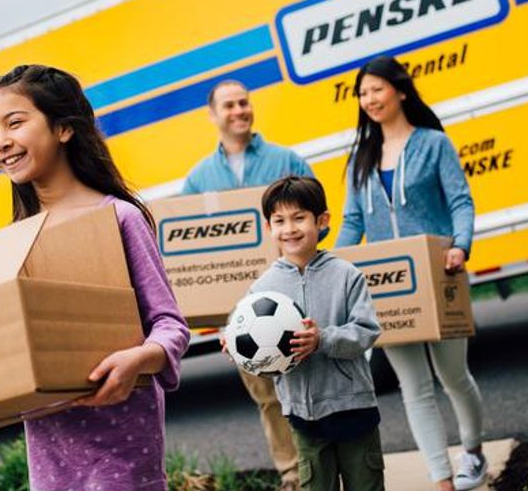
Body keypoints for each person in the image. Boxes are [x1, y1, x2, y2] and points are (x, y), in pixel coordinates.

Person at [0, 64, 190, 491]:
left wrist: (139, 359)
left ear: (63, 128)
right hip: (51, 467)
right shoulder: (15, 243)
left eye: (14, 123)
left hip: (123, 455)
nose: (0, 142)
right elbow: (5, 363)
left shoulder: (119, 217)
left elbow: (170, 326)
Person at [336, 55, 487, 491]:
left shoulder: (433, 144)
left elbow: (461, 201)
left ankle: (472, 452)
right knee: (413, 387)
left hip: (440, 277)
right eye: (363, 94)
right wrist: (330, 263)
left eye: (376, 89)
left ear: (400, 91)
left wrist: (460, 246)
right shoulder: (360, 159)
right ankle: (441, 478)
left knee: (453, 376)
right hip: (390, 286)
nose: (369, 99)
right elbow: (351, 223)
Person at [182, 79, 311, 490]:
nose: (239, 110)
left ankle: (321, 466)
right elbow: (189, 248)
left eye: (244, 102)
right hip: (240, 315)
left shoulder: (284, 159)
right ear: (213, 115)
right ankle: (292, 473)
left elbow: (316, 217)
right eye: (229, 105)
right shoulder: (200, 179)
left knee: (311, 389)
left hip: (296, 298)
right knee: (268, 398)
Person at [250, 176, 385, 491]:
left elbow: (367, 331)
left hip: (355, 409)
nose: (290, 228)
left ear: (321, 221)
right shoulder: (261, 289)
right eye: (280, 221)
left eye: (299, 218)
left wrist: (322, 339)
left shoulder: (346, 275)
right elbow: (259, 355)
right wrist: (240, 352)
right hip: (303, 416)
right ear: (269, 228)